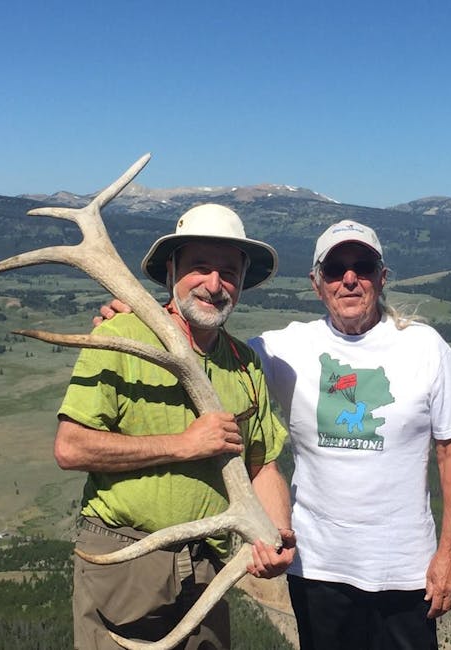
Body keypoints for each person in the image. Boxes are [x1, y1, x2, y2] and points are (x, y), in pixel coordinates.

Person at [98, 219, 451, 650]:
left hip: (407, 569)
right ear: (317, 283)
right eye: (335, 269)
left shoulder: (426, 347)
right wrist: (142, 317)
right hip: (317, 568)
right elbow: (206, 344)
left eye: (363, 266)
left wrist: (449, 555)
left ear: (382, 277)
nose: (349, 279)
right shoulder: (283, 348)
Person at [59, 203, 295, 650]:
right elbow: (71, 447)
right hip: (128, 559)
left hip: (209, 566)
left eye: (229, 272)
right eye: (199, 267)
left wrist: (277, 535)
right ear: (171, 270)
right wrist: (184, 444)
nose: (214, 284)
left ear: (243, 281)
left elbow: (262, 465)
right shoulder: (120, 336)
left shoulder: (245, 365)